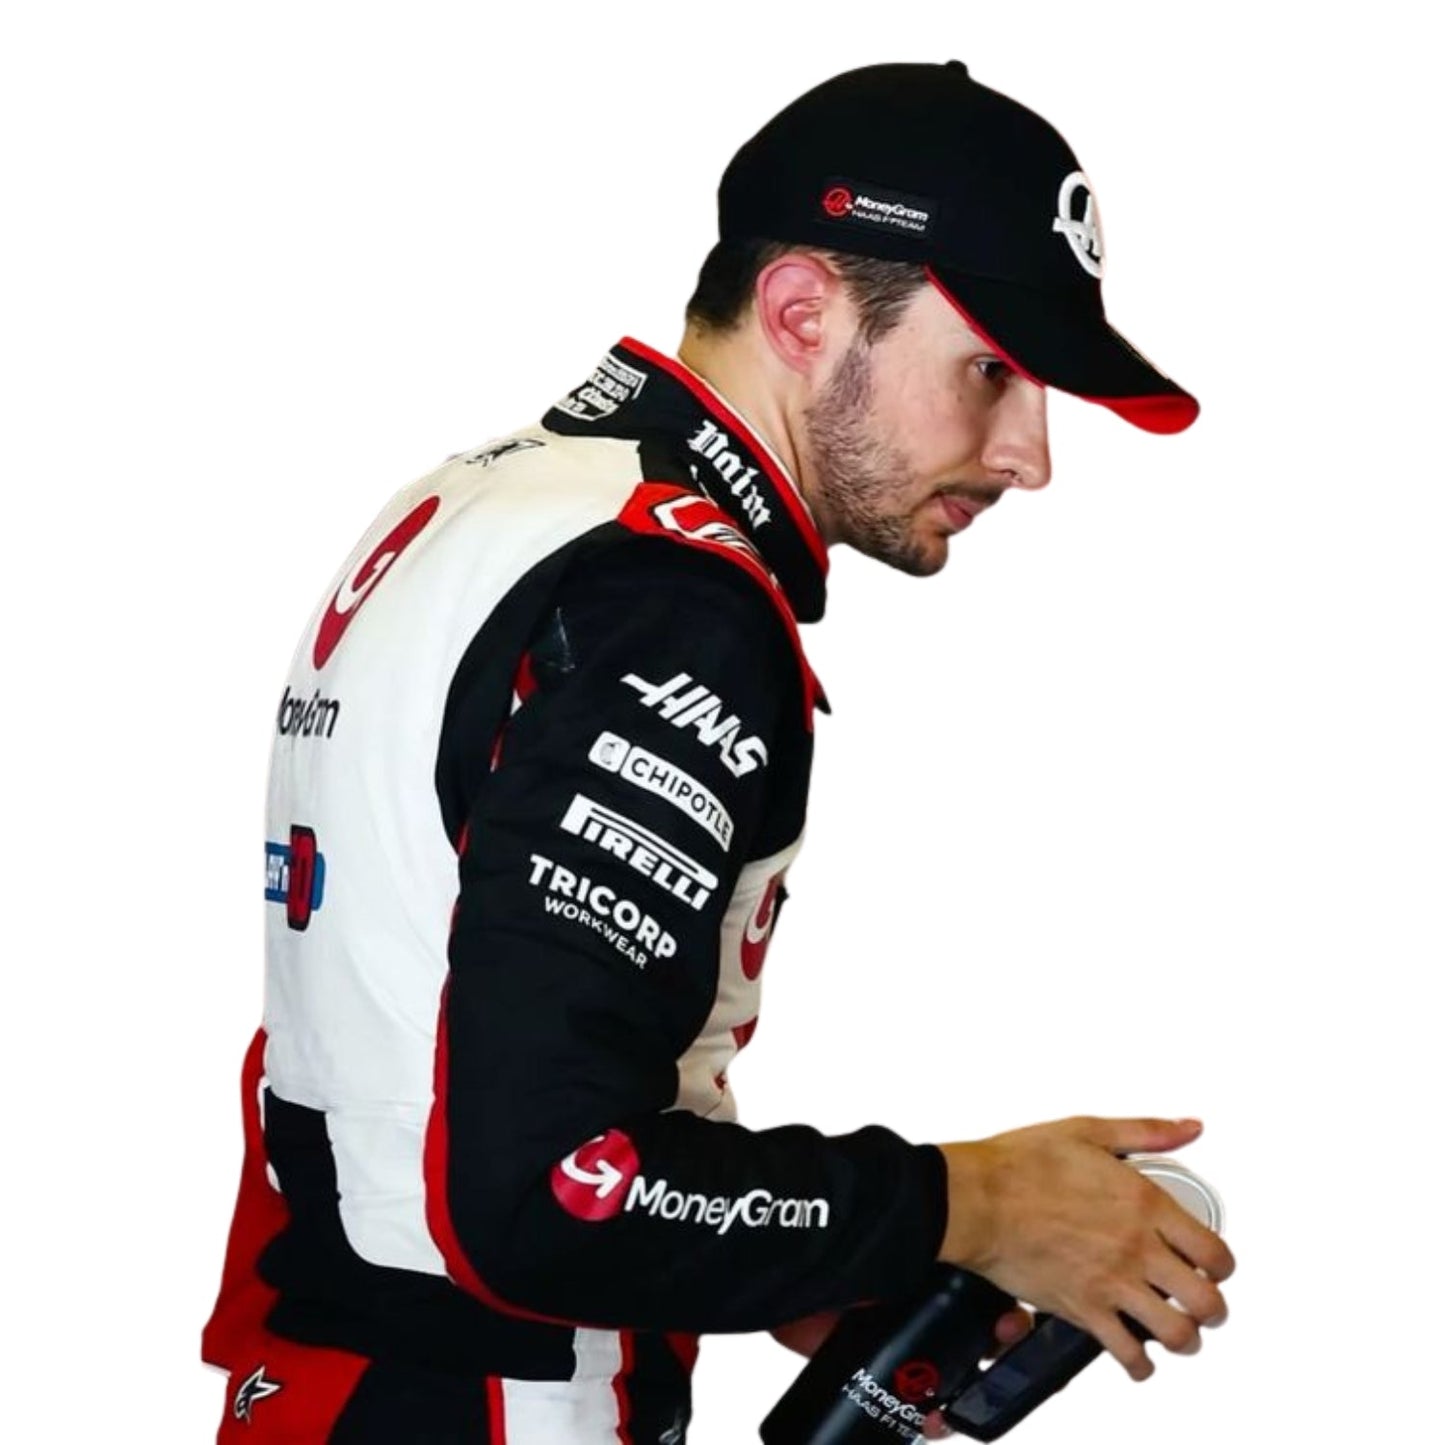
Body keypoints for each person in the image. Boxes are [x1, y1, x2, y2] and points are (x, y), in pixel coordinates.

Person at [203, 59, 1234, 1443]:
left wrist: (819, 1257)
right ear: (802, 311)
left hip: (345, 1384)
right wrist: (977, 1200)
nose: (1029, 453)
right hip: (490, 1404)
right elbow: (547, 1190)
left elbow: (419, 1070)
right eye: (989, 369)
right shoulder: (670, 601)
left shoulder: (494, 501)